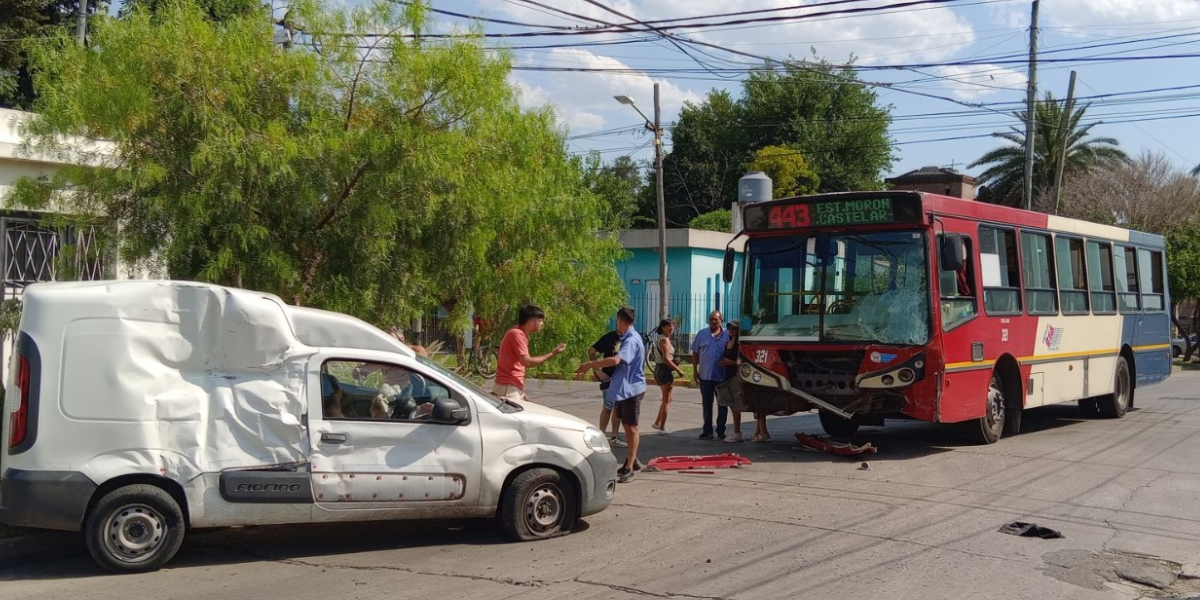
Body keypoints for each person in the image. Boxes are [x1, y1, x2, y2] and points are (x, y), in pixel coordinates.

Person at [575, 307, 646, 483]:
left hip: (632, 389)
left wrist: (591, 364)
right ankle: (632, 459)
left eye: (617, 322)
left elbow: (616, 360)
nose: (617, 325)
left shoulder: (631, 340)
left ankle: (630, 466)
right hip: (623, 388)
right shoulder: (626, 338)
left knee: (631, 426)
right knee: (625, 422)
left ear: (621, 320)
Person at [493, 305, 567, 402]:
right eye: (540, 321)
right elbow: (526, 362)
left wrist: (520, 392)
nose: (542, 323)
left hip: (511, 386)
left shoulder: (519, 334)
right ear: (532, 322)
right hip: (508, 387)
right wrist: (552, 353)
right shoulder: (517, 334)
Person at [721, 321, 770, 443]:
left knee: (751, 403)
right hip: (728, 375)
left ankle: (760, 432)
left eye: (734, 328)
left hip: (740, 376)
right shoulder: (727, 343)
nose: (731, 330)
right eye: (729, 328)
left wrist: (730, 362)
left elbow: (742, 361)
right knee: (735, 405)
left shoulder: (740, 344)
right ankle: (758, 432)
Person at [691, 310, 730, 440]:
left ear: (721, 321)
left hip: (722, 376)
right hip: (705, 376)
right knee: (707, 404)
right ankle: (707, 431)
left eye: (716, 319)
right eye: (711, 319)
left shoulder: (727, 335)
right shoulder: (702, 334)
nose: (713, 321)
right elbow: (695, 352)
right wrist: (695, 370)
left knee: (722, 405)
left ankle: (721, 430)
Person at [588, 328, 626, 447]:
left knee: (618, 408)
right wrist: (597, 370)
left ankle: (614, 437)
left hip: (623, 379)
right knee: (608, 407)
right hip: (609, 378)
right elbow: (591, 351)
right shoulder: (609, 337)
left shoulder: (630, 338)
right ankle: (601, 436)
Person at [650, 318, 685, 434]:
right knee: (666, 400)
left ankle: (657, 423)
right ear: (663, 327)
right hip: (664, 370)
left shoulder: (664, 339)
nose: (671, 328)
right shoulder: (664, 340)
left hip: (661, 370)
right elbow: (666, 358)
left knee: (668, 399)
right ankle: (662, 427)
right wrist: (678, 369)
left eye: (672, 326)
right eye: (668, 326)